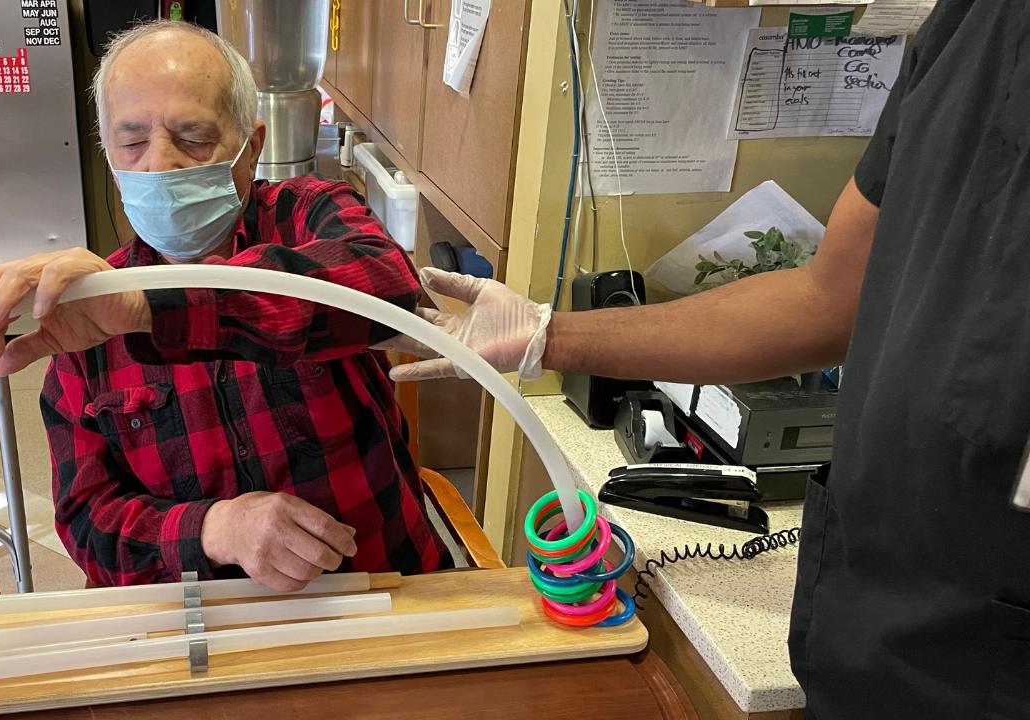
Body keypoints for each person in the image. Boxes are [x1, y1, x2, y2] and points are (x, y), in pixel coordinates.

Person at [389, 2, 1030, 718]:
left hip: (993, 657)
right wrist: (545, 335)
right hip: (868, 630)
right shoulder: (975, 24)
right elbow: (825, 298)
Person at [0, 20, 447, 592]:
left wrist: (153, 308)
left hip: (385, 593)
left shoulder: (307, 213)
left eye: (192, 137)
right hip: (202, 631)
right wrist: (213, 529)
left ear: (252, 146)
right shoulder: (86, 316)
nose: (159, 164)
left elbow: (387, 286)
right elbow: (88, 522)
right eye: (133, 141)